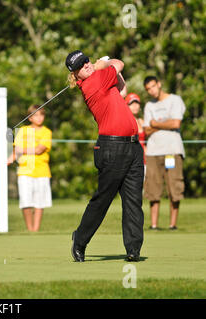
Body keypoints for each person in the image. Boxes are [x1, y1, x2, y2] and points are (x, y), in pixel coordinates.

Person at [66, 50, 144, 262]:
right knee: (103, 199)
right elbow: (120, 63)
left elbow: (122, 90)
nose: (87, 65)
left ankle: (133, 249)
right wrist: (104, 62)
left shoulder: (102, 80)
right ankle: (80, 240)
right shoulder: (93, 82)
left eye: (87, 61)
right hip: (112, 147)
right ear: (75, 76)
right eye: (81, 66)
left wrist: (103, 65)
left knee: (133, 201)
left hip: (133, 146)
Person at [142, 76, 186, 230]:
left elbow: (176, 123)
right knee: (153, 188)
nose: (152, 91)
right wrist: (165, 124)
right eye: (148, 89)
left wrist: (155, 123)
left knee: (174, 186)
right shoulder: (148, 105)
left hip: (172, 151)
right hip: (153, 152)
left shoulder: (175, 100)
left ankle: (172, 224)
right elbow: (146, 130)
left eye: (153, 86)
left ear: (159, 84)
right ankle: (154, 225)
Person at [7, 105, 52, 232]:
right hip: (24, 171)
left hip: (42, 171)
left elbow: (39, 150)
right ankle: (30, 230)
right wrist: (9, 159)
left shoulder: (46, 132)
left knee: (39, 203)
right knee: (26, 202)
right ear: (30, 118)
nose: (39, 118)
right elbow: (17, 151)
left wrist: (24, 149)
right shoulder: (22, 130)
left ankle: (35, 231)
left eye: (41, 115)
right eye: (36, 115)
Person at [125, 92, 146, 160]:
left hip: (144, 158)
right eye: (131, 104)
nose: (135, 106)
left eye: (137, 103)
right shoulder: (125, 122)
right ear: (126, 106)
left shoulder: (142, 121)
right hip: (132, 158)